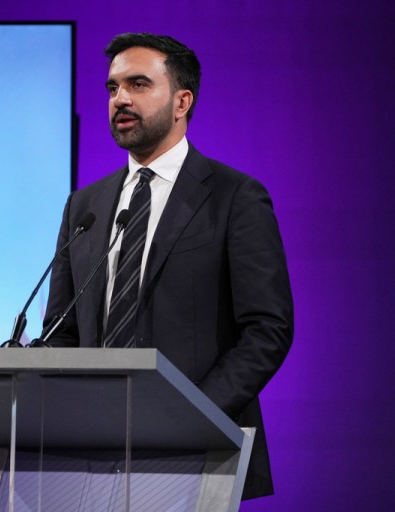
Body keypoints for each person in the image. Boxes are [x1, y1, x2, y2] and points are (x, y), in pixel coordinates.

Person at [42, 32, 294, 500]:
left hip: (197, 452)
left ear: (182, 101)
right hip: (88, 456)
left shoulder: (234, 197)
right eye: (113, 87)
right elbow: (63, 329)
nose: (120, 98)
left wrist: (191, 414)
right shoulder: (85, 206)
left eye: (138, 84)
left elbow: (267, 328)